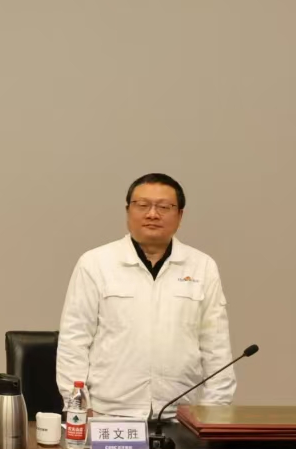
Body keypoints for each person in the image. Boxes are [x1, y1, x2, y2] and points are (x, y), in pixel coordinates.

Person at [55, 173, 236, 419]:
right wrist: (78, 407)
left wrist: (213, 414)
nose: (152, 214)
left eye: (164, 207)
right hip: (108, 414)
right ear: (128, 211)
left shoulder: (202, 266)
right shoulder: (95, 263)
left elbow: (216, 347)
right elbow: (74, 341)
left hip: (181, 416)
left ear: (180, 215)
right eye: (142, 205)